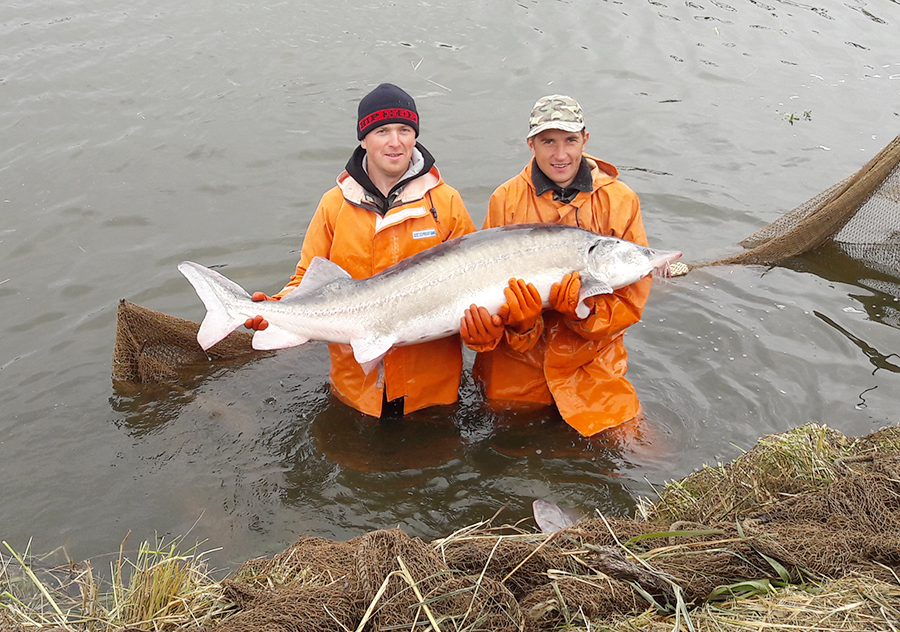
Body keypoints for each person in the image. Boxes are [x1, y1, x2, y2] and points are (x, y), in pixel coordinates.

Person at [247, 83, 476, 418]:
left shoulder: (445, 202)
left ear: (415, 137)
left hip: (433, 391)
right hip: (356, 390)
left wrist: (485, 326)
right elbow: (306, 278)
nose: (395, 142)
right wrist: (275, 311)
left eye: (404, 130)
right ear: (363, 139)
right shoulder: (333, 205)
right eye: (382, 131)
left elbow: (472, 281)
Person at [460, 94, 652, 437]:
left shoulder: (620, 201)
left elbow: (631, 301)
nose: (560, 154)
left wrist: (584, 313)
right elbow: (483, 287)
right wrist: (522, 322)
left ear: (585, 140)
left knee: (645, 453)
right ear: (531, 144)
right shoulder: (505, 199)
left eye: (570, 141)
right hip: (513, 371)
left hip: (592, 367)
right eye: (548, 141)